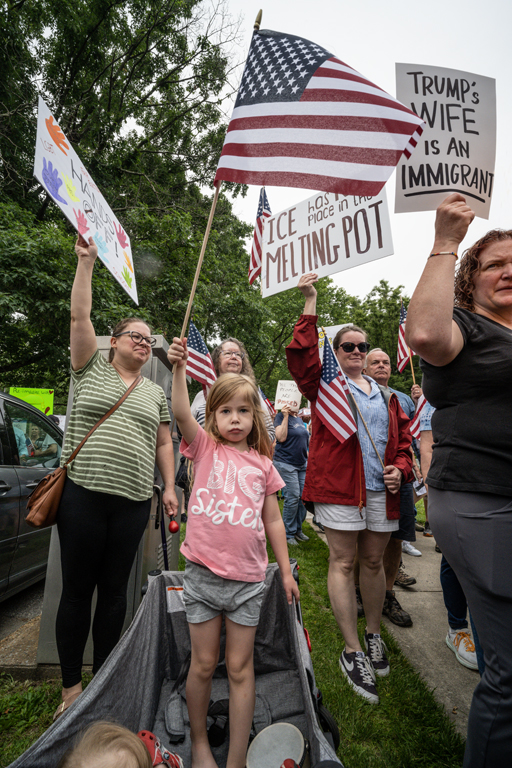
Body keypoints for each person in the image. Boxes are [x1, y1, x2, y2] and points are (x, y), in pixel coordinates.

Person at [405, 192, 512, 768]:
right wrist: (447, 240)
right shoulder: (465, 329)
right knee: (511, 674)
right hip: (484, 503)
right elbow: (423, 334)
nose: (508, 271)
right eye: (495, 264)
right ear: (470, 281)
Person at [53, 235, 178, 721]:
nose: (144, 343)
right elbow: (78, 318)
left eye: (149, 340)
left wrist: (168, 487)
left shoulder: (153, 392)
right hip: (82, 496)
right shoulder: (88, 368)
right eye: (135, 336)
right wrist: (86, 263)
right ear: (114, 341)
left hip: (131, 503)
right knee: (77, 592)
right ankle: (70, 690)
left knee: (113, 596)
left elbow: (165, 442)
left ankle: (104, 682)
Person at [171, 337, 300, 768]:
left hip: (248, 582)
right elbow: (180, 414)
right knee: (204, 666)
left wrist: (283, 571)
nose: (235, 419)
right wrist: (177, 370)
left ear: (255, 417)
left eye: (243, 411)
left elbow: (274, 521)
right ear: (214, 416)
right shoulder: (204, 449)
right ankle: (202, 745)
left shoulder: (264, 466)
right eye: (225, 411)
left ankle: (238, 758)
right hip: (204, 580)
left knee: (241, 669)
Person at [286, 273, 413, 705]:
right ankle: (352, 649)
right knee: (343, 562)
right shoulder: (324, 387)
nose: (357, 352)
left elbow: (402, 444)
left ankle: (373, 634)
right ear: (336, 352)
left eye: (363, 346)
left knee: (374, 562)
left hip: (383, 491)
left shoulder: (389, 397)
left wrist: (400, 467)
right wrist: (310, 301)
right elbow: (300, 357)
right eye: (348, 346)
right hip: (341, 490)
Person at [362, 348, 420, 628]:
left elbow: (409, 441)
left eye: (386, 362)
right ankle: (360, 593)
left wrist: (407, 467)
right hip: (367, 484)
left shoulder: (404, 400)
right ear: (365, 368)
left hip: (400, 482)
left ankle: (387, 595)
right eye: (375, 362)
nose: (382, 366)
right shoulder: (355, 395)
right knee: (363, 543)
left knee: (397, 539)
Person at [168, 336, 275, 442]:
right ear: (216, 360)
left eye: (238, 354)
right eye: (228, 353)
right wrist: (180, 367)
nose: (234, 357)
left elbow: (269, 432)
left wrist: (242, 450)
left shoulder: (253, 393)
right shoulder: (201, 395)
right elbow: (183, 424)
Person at [273, 402, 310, 545]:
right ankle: (287, 534)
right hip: (285, 463)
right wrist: (285, 416)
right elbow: (281, 437)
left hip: (302, 463)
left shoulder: (300, 419)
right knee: (293, 496)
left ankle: (297, 530)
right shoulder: (280, 416)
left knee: (303, 498)